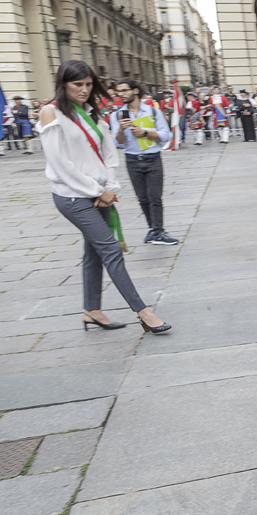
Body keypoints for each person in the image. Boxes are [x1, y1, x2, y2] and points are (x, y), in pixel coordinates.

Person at [40, 61, 171, 334]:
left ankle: (92, 310)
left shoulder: (92, 113)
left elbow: (110, 154)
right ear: (63, 83)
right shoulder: (50, 113)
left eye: (89, 84)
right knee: (110, 248)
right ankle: (143, 312)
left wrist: (109, 189)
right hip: (72, 196)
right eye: (78, 84)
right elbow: (60, 164)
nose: (84, 90)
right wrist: (98, 191)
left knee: (94, 253)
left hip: (100, 194)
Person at [109, 78, 177, 246]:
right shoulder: (116, 115)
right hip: (132, 160)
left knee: (155, 197)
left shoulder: (153, 112)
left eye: (124, 90)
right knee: (143, 198)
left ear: (135, 91)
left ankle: (158, 231)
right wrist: (121, 130)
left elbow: (165, 135)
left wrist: (145, 132)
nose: (121, 94)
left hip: (152, 158)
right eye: (119, 91)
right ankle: (153, 230)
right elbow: (117, 143)